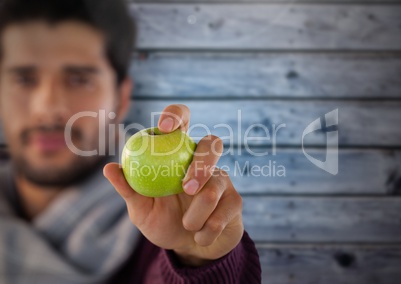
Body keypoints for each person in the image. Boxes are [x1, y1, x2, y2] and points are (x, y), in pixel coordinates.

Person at [0, 0, 262, 283]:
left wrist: (196, 260)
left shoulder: (166, 222)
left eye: (78, 79)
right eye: (24, 79)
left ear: (121, 99)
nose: (46, 108)